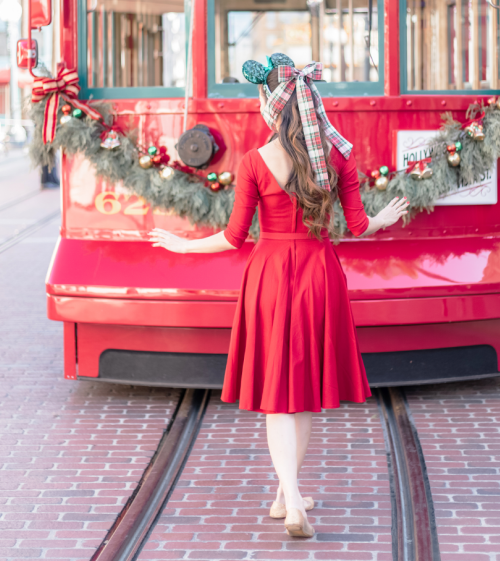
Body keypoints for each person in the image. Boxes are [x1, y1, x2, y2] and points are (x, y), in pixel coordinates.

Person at [149, 54, 409, 539]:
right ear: (312, 103)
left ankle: (290, 501)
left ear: (271, 107)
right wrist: (384, 219)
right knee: (301, 392)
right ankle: (286, 496)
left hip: (269, 277)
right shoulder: (337, 156)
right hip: (319, 274)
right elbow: (357, 226)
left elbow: (233, 238)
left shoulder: (254, 161)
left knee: (277, 398)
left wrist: (183, 245)